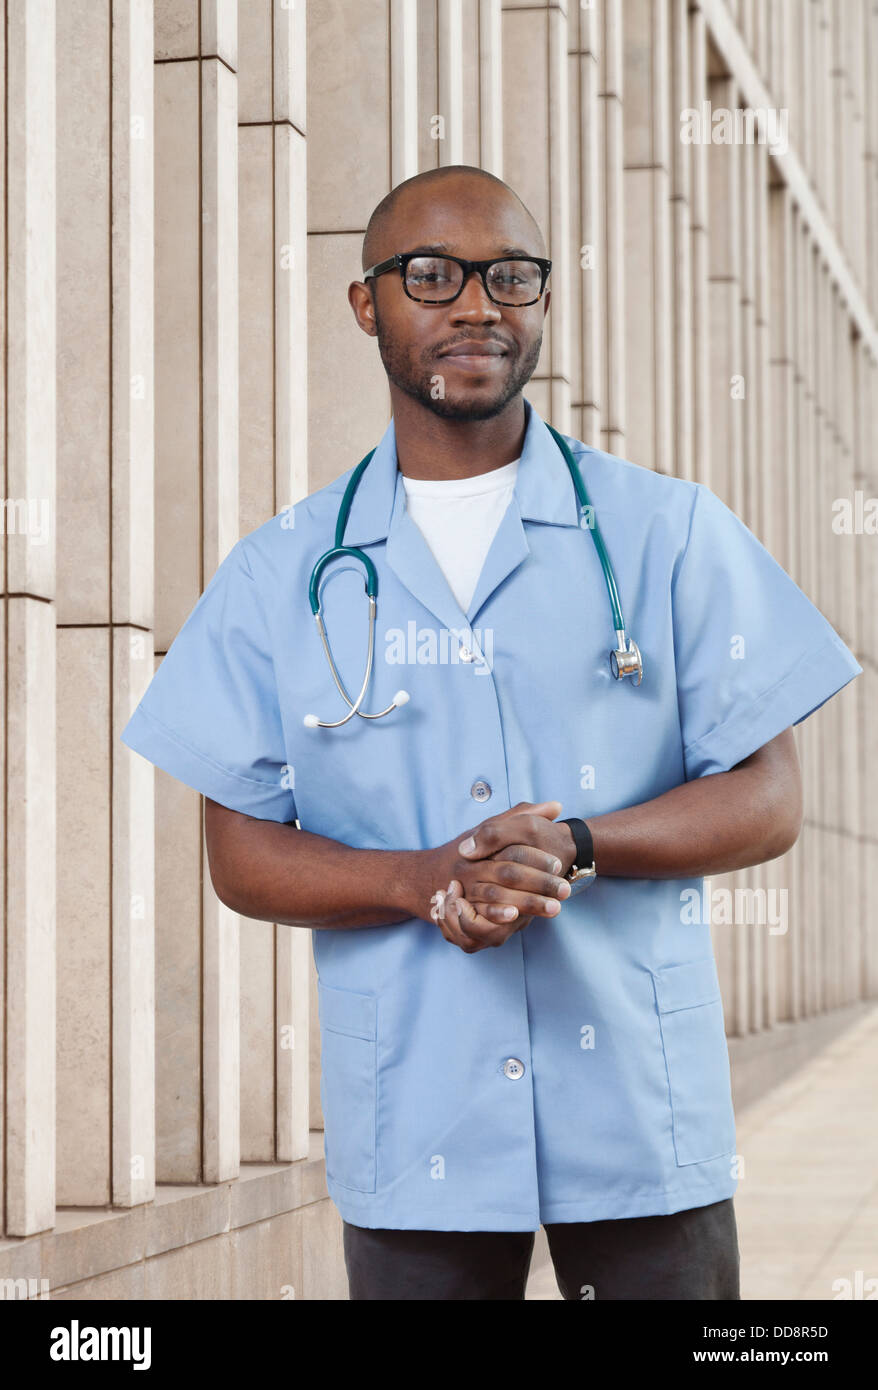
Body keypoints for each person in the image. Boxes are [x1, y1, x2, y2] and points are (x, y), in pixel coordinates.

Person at [121, 165, 862, 1301]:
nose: (476, 304)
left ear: (541, 301)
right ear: (367, 305)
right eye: (431, 275)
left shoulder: (664, 531)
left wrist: (572, 843)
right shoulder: (285, 571)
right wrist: (425, 879)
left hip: (636, 1119)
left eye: (508, 276)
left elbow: (764, 799)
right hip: (418, 1115)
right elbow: (242, 852)